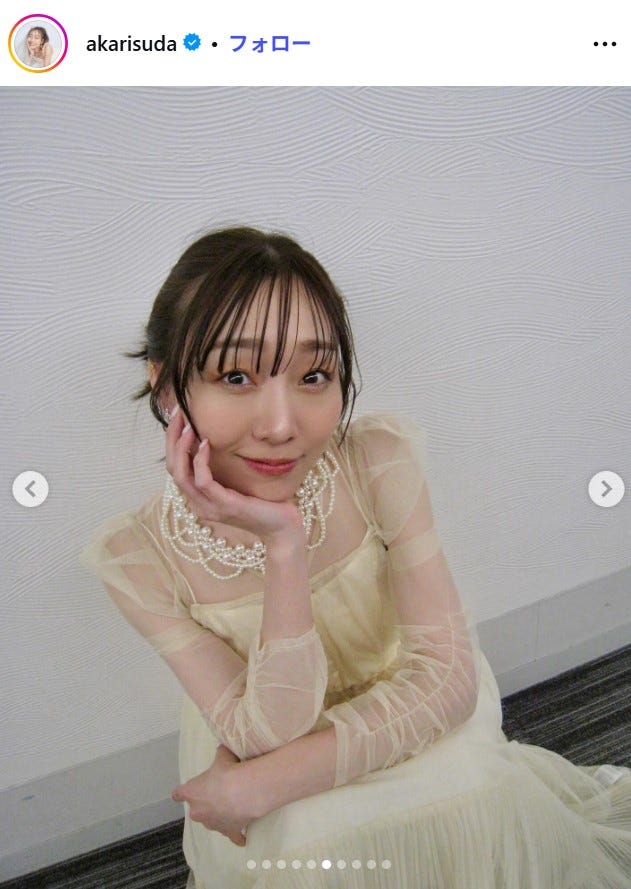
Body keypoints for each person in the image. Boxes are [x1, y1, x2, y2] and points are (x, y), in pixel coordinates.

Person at [80, 227, 631, 888]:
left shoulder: (376, 461)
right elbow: (265, 735)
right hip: (271, 739)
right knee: (303, 847)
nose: (281, 425)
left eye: (313, 375)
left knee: (471, 784)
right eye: (235, 376)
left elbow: (447, 679)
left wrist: (260, 785)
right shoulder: (137, 558)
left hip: (411, 708)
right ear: (167, 386)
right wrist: (285, 550)